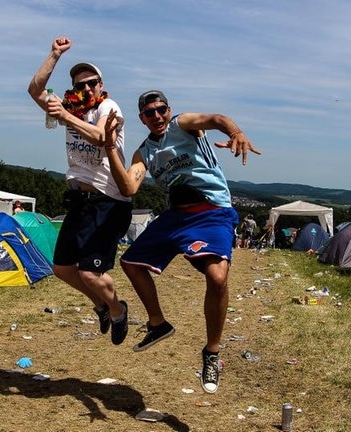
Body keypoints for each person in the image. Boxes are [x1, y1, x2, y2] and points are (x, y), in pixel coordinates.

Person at [102, 90, 261, 393]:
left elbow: (216, 119)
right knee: (131, 262)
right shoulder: (144, 152)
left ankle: (212, 352)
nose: (157, 116)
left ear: (169, 109)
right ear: (142, 119)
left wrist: (236, 132)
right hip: (176, 216)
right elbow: (129, 186)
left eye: (161, 109)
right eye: (150, 113)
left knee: (217, 278)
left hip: (212, 211)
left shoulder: (183, 124)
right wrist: (110, 148)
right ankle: (158, 323)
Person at [27, 37, 132, 345]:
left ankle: (117, 309)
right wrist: (54, 55)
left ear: (101, 86)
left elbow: (102, 137)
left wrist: (64, 116)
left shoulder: (108, 107)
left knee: (90, 274)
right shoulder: (72, 108)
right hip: (79, 199)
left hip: (107, 199)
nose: (86, 89)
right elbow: (35, 90)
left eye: (91, 83)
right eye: (79, 84)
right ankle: (101, 304)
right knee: (61, 268)